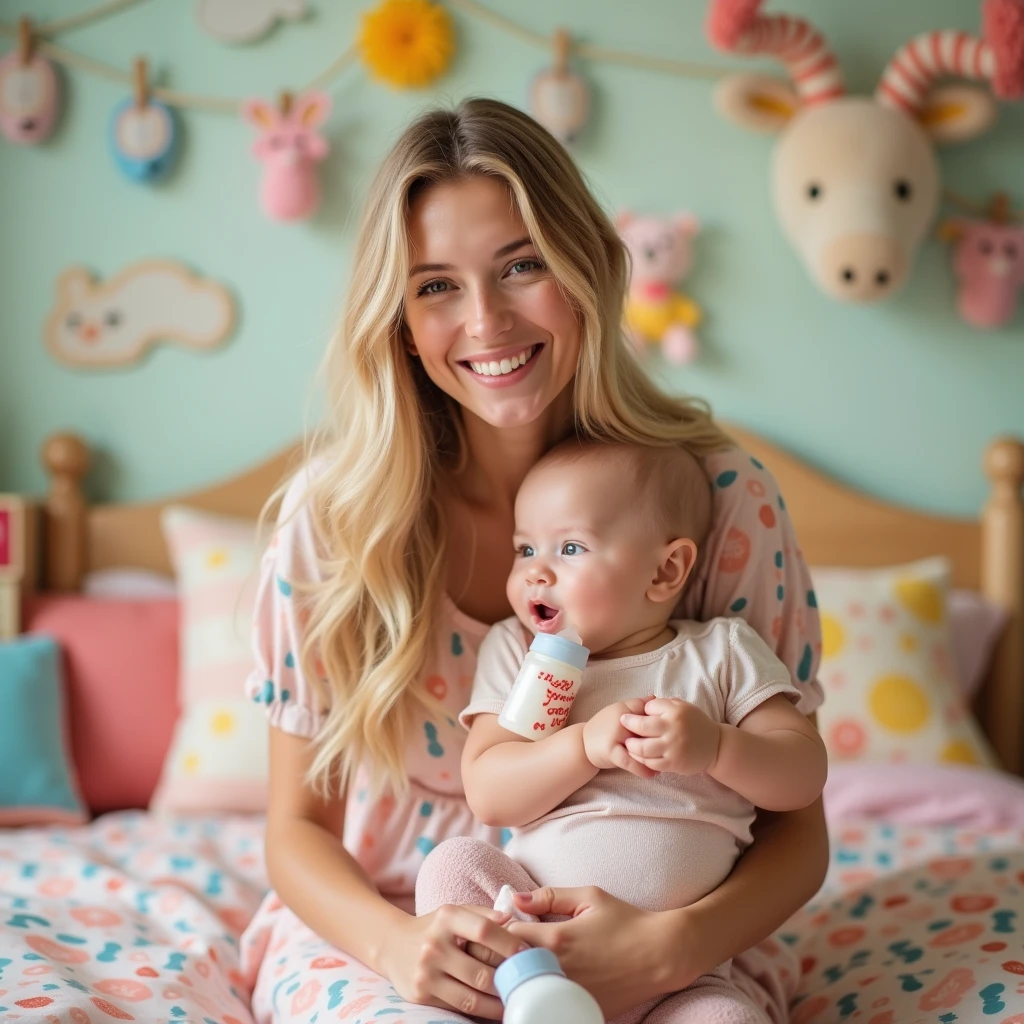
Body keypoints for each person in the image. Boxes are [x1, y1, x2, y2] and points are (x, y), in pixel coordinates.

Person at [238, 96, 826, 1024]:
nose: (486, 321)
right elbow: (295, 828)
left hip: (678, 931)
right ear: (396, 316)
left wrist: (673, 949)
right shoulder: (337, 520)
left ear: (586, 265)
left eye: (522, 265)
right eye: (435, 285)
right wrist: (402, 950)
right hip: (394, 926)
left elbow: (799, 822)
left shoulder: (718, 502)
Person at [416, 439, 828, 1023]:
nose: (536, 569)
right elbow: (489, 791)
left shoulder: (722, 652)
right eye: (525, 547)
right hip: (530, 942)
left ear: (666, 570)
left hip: (678, 974)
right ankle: (519, 1004)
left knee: (728, 1020)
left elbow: (803, 775)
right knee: (452, 866)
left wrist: (717, 747)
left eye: (570, 547)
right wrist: (581, 746)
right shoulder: (516, 651)